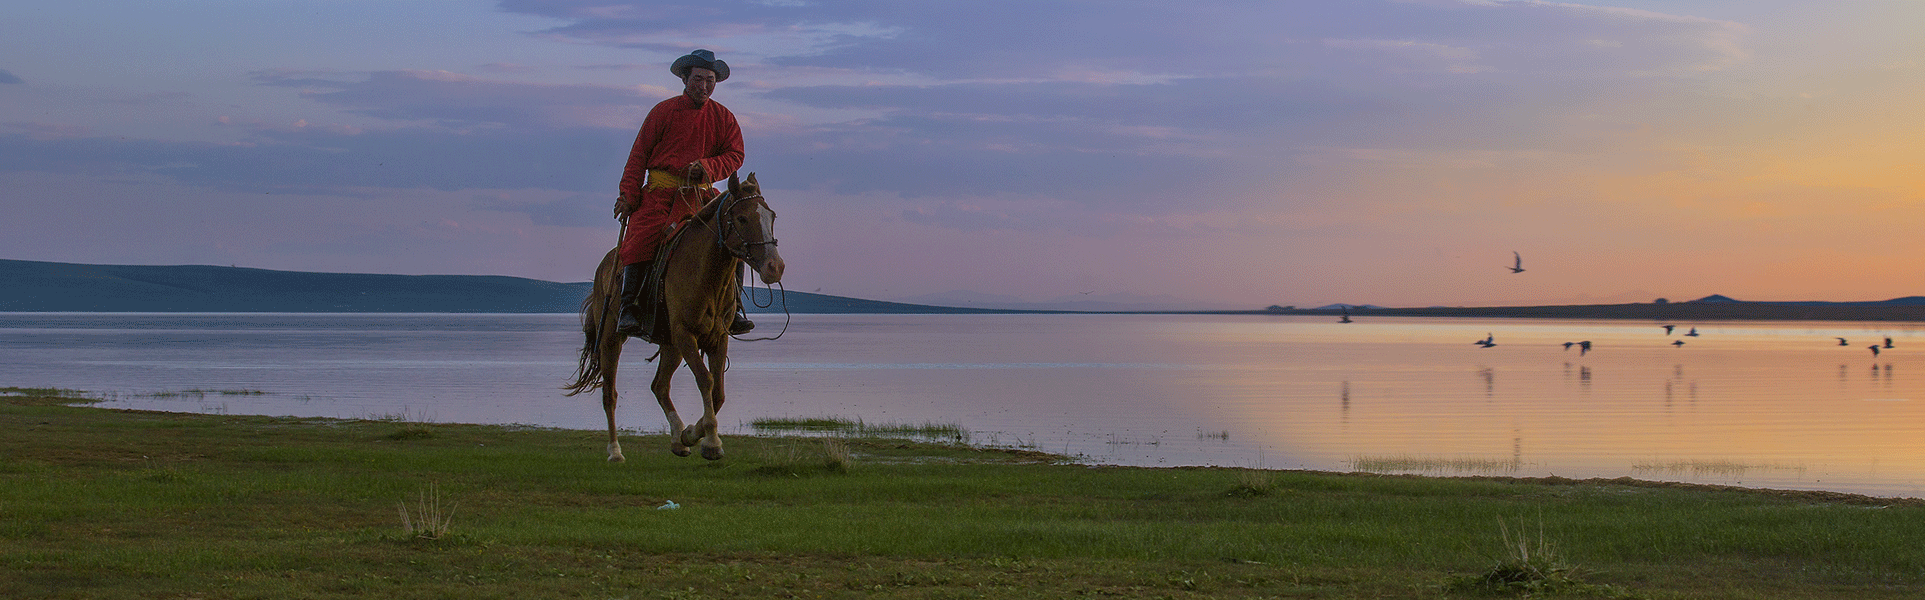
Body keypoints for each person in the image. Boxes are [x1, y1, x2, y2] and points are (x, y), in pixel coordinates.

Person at [612, 49, 751, 339]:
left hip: (702, 195)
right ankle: (629, 307)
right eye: (698, 79)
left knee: (733, 238)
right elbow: (638, 156)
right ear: (685, 79)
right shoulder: (662, 111)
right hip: (661, 193)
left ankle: (734, 307)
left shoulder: (724, 117)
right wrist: (628, 196)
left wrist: (708, 166)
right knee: (642, 235)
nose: (704, 86)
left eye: (710, 80)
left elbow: (736, 154)